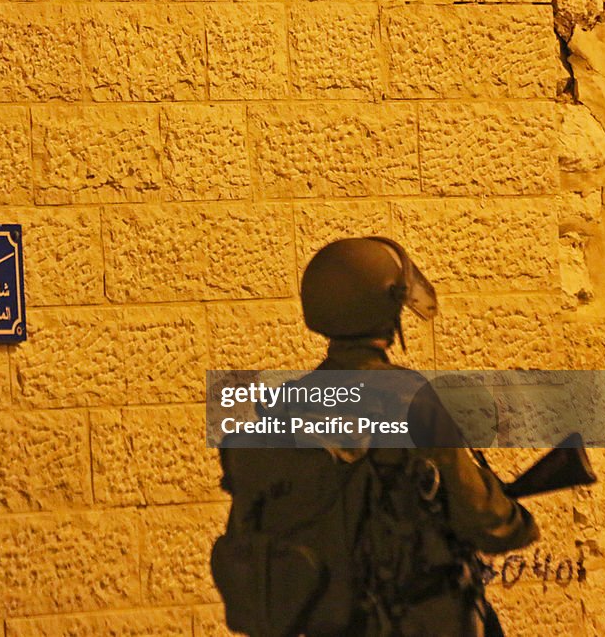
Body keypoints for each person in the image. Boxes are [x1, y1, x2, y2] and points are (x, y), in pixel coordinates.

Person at [215, 237, 538, 637]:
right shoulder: (410, 401)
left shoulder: (287, 404)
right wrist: (517, 521)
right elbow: (484, 520)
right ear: (388, 310)